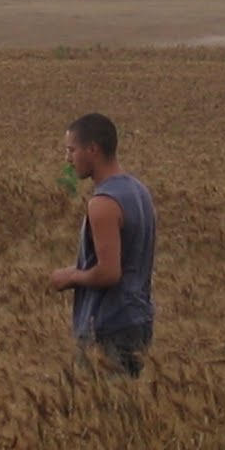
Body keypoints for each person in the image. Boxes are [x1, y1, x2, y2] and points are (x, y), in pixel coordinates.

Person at [49, 113, 156, 377]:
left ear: (93, 149)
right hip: (138, 319)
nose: (67, 159)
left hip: (110, 326)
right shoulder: (138, 190)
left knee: (103, 412)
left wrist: (70, 276)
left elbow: (109, 273)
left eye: (71, 150)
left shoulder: (103, 204)